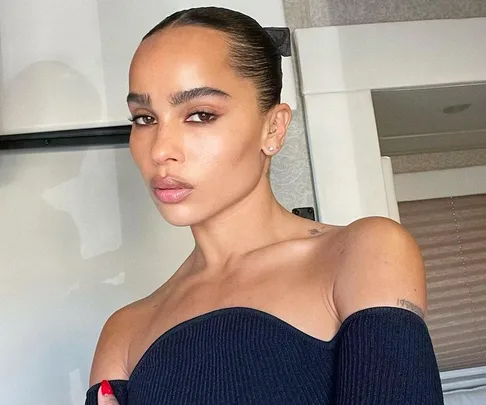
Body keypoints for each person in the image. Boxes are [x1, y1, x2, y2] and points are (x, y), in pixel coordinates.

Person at [85, 6, 444, 405]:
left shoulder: (363, 253)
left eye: (201, 115)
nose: (160, 150)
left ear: (273, 128)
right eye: (145, 118)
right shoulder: (124, 331)